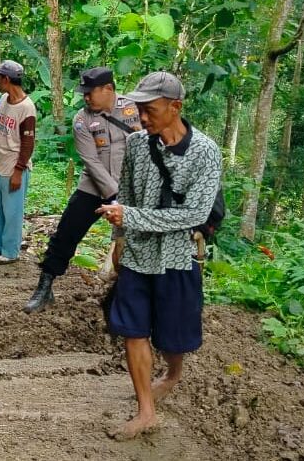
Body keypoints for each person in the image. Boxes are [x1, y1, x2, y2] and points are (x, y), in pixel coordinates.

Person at [95, 72, 221, 440]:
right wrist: (119, 238)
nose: (142, 118)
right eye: (139, 110)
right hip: (137, 255)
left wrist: (130, 217)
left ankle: (173, 374)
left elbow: (194, 215)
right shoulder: (136, 145)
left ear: (175, 107)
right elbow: (128, 195)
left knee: (171, 337)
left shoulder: (205, 152)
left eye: (149, 110)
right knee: (132, 331)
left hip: (179, 257)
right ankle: (145, 411)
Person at [24, 67, 140, 313]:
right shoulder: (81, 119)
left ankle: (123, 299)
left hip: (132, 190)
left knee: (133, 244)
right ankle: (44, 287)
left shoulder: (133, 109)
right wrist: (114, 195)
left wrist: (128, 194)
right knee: (65, 234)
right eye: (84, 93)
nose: (86, 97)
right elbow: (91, 161)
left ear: (108, 89)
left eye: (90, 92)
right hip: (93, 187)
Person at [0, 60, 36, 264]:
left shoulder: (27, 108)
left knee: (12, 213)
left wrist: (19, 170)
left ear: (7, 79)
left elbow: (28, 143)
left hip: (13, 167)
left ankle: (10, 251)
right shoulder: (4, 100)